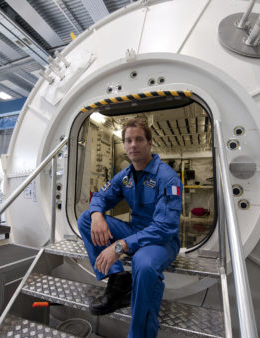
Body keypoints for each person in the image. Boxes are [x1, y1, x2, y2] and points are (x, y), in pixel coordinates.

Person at [77, 118, 182, 337]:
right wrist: (97, 214)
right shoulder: (125, 177)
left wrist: (119, 246)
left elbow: (165, 227)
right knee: (86, 219)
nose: (133, 144)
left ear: (149, 143)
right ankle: (119, 280)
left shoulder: (167, 178)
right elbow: (100, 196)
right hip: (135, 232)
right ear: (124, 145)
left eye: (139, 139)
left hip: (161, 241)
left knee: (142, 263)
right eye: (128, 140)